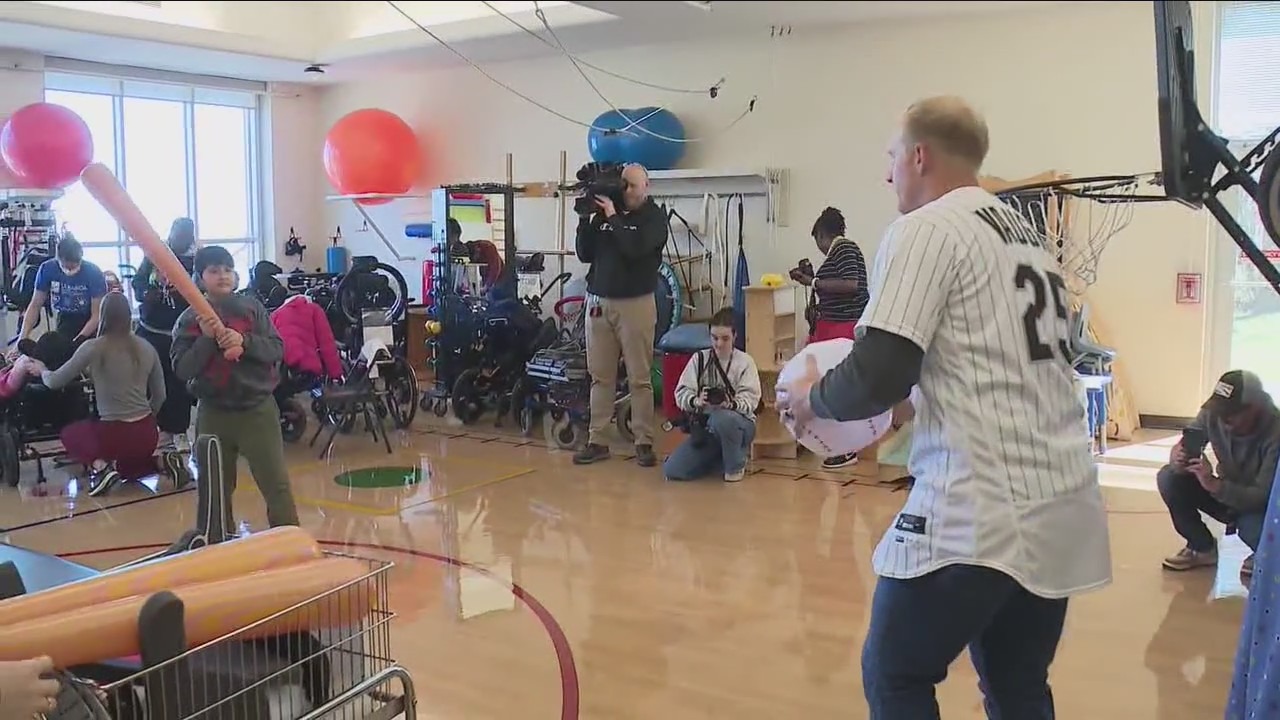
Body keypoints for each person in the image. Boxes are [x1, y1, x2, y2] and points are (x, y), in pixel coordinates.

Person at [779, 96, 1110, 719]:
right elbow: (989, 362)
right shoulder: (1028, 237)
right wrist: (905, 412)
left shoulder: (924, 229)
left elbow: (876, 372)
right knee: (1017, 687)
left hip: (979, 505)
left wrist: (812, 399)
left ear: (919, 155)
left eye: (890, 157)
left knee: (895, 674)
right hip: (1063, 502)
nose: (886, 174)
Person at [171, 246, 299, 529]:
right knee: (214, 488)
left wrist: (245, 342)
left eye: (227, 270)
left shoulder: (251, 307)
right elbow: (183, 368)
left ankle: (290, 545)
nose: (222, 276)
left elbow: (277, 348)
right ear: (199, 277)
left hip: (258, 410)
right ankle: (217, 543)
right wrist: (205, 340)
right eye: (214, 271)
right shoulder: (189, 320)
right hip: (214, 412)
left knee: (275, 484)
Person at [572, 164, 669, 468]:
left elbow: (634, 248)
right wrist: (585, 219)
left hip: (635, 304)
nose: (626, 191)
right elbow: (585, 254)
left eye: (631, 186)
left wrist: (613, 215)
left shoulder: (654, 218)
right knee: (600, 377)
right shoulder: (604, 214)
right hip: (599, 302)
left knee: (639, 378)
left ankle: (643, 442)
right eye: (622, 185)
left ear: (646, 186)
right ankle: (597, 439)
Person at [44, 293, 190, 495]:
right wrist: (147, 417)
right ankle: (162, 461)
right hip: (147, 432)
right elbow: (160, 395)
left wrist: (41, 369)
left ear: (102, 316)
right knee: (128, 472)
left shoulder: (93, 347)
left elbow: (54, 381)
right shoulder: (146, 347)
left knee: (70, 434)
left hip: (113, 434)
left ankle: (102, 468)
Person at [1157, 369, 1279, 581]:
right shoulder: (1212, 414)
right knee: (1169, 477)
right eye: (1220, 411)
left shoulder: (1275, 431)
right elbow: (1188, 444)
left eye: (1231, 413)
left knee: (1254, 533)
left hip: (1263, 507)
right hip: (1225, 492)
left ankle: (1265, 553)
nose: (1222, 419)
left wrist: (1213, 484)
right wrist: (1177, 456)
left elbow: (1262, 495)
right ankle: (1201, 548)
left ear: (1254, 408)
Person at [791, 206, 870, 471]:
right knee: (819, 384)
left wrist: (814, 282)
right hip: (831, 326)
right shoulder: (842, 252)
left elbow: (851, 284)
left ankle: (846, 447)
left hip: (842, 328)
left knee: (839, 389)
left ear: (823, 235)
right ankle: (822, 437)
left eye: (819, 244)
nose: (821, 250)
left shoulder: (844, 249)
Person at [663, 307, 762, 483]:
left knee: (722, 418)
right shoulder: (699, 359)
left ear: (735, 337)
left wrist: (730, 404)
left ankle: (735, 466)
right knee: (673, 470)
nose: (719, 344)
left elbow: (752, 400)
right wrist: (696, 401)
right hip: (706, 428)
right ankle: (716, 457)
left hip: (740, 423)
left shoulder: (745, 362)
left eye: (725, 338)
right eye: (714, 338)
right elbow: (680, 393)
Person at [133, 217, 198, 451]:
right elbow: (138, 283)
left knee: (178, 384)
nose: (179, 240)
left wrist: (184, 294)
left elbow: (201, 292)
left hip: (179, 333)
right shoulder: (154, 254)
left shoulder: (195, 261)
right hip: (150, 330)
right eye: (176, 235)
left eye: (185, 236)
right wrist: (147, 293)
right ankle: (158, 430)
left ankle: (178, 431)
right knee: (151, 382)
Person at [11, 235, 107, 352]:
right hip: (65, 318)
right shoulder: (47, 269)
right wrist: (22, 337)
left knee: (84, 354)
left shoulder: (93, 272)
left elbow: (97, 315)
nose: (70, 271)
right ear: (58, 259)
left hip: (89, 320)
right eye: (66, 267)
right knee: (60, 355)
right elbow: (35, 305)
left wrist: (79, 340)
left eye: (74, 267)